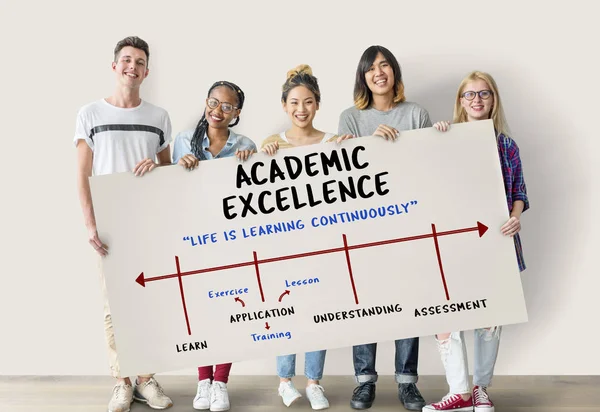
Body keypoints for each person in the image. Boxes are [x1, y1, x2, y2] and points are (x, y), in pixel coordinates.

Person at [74, 36, 174, 412]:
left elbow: (168, 175)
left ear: (147, 71)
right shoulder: (90, 115)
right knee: (113, 306)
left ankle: (146, 379)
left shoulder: (158, 117)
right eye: (126, 60)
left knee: (148, 302)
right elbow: (82, 174)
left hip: (147, 224)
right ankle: (122, 381)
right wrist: (90, 225)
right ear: (115, 66)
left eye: (140, 61)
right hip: (110, 224)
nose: (133, 66)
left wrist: (155, 168)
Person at [423, 71, 529, 412]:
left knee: (489, 315)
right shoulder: (448, 138)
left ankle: (481, 388)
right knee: (446, 314)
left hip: (496, 241)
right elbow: (429, 183)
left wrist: (516, 216)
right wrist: (437, 141)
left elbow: (520, 192)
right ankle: (459, 391)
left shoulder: (506, 145)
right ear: (460, 101)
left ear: (493, 99)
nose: (477, 100)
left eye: (484, 94)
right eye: (469, 95)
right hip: (455, 243)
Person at [337, 45, 431, 411]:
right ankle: (365, 382)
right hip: (364, 227)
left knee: (408, 299)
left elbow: (428, 165)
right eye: (371, 68)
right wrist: (365, 145)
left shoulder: (417, 113)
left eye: (385, 65)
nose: (379, 72)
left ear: (395, 73)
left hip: (407, 221)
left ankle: (407, 382)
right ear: (363, 76)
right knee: (367, 302)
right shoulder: (351, 117)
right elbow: (342, 170)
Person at [262, 64, 352, 410]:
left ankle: (314, 381)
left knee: (319, 313)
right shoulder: (271, 144)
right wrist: (259, 158)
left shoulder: (332, 142)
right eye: (295, 102)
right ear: (285, 105)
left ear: (318, 104)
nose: (302, 109)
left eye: (309, 102)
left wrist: (349, 148)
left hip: (321, 243)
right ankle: (284, 381)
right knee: (286, 312)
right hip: (283, 246)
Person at [172, 80, 256, 412]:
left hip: (232, 240)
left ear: (237, 113)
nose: (218, 111)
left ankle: (220, 381)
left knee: (229, 310)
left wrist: (252, 161)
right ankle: (202, 381)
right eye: (213, 102)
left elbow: (253, 193)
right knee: (201, 311)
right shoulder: (182, 141)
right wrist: (179, 169)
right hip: (193, 238)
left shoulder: (244, 145)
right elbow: (166, 190)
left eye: (227, 106)